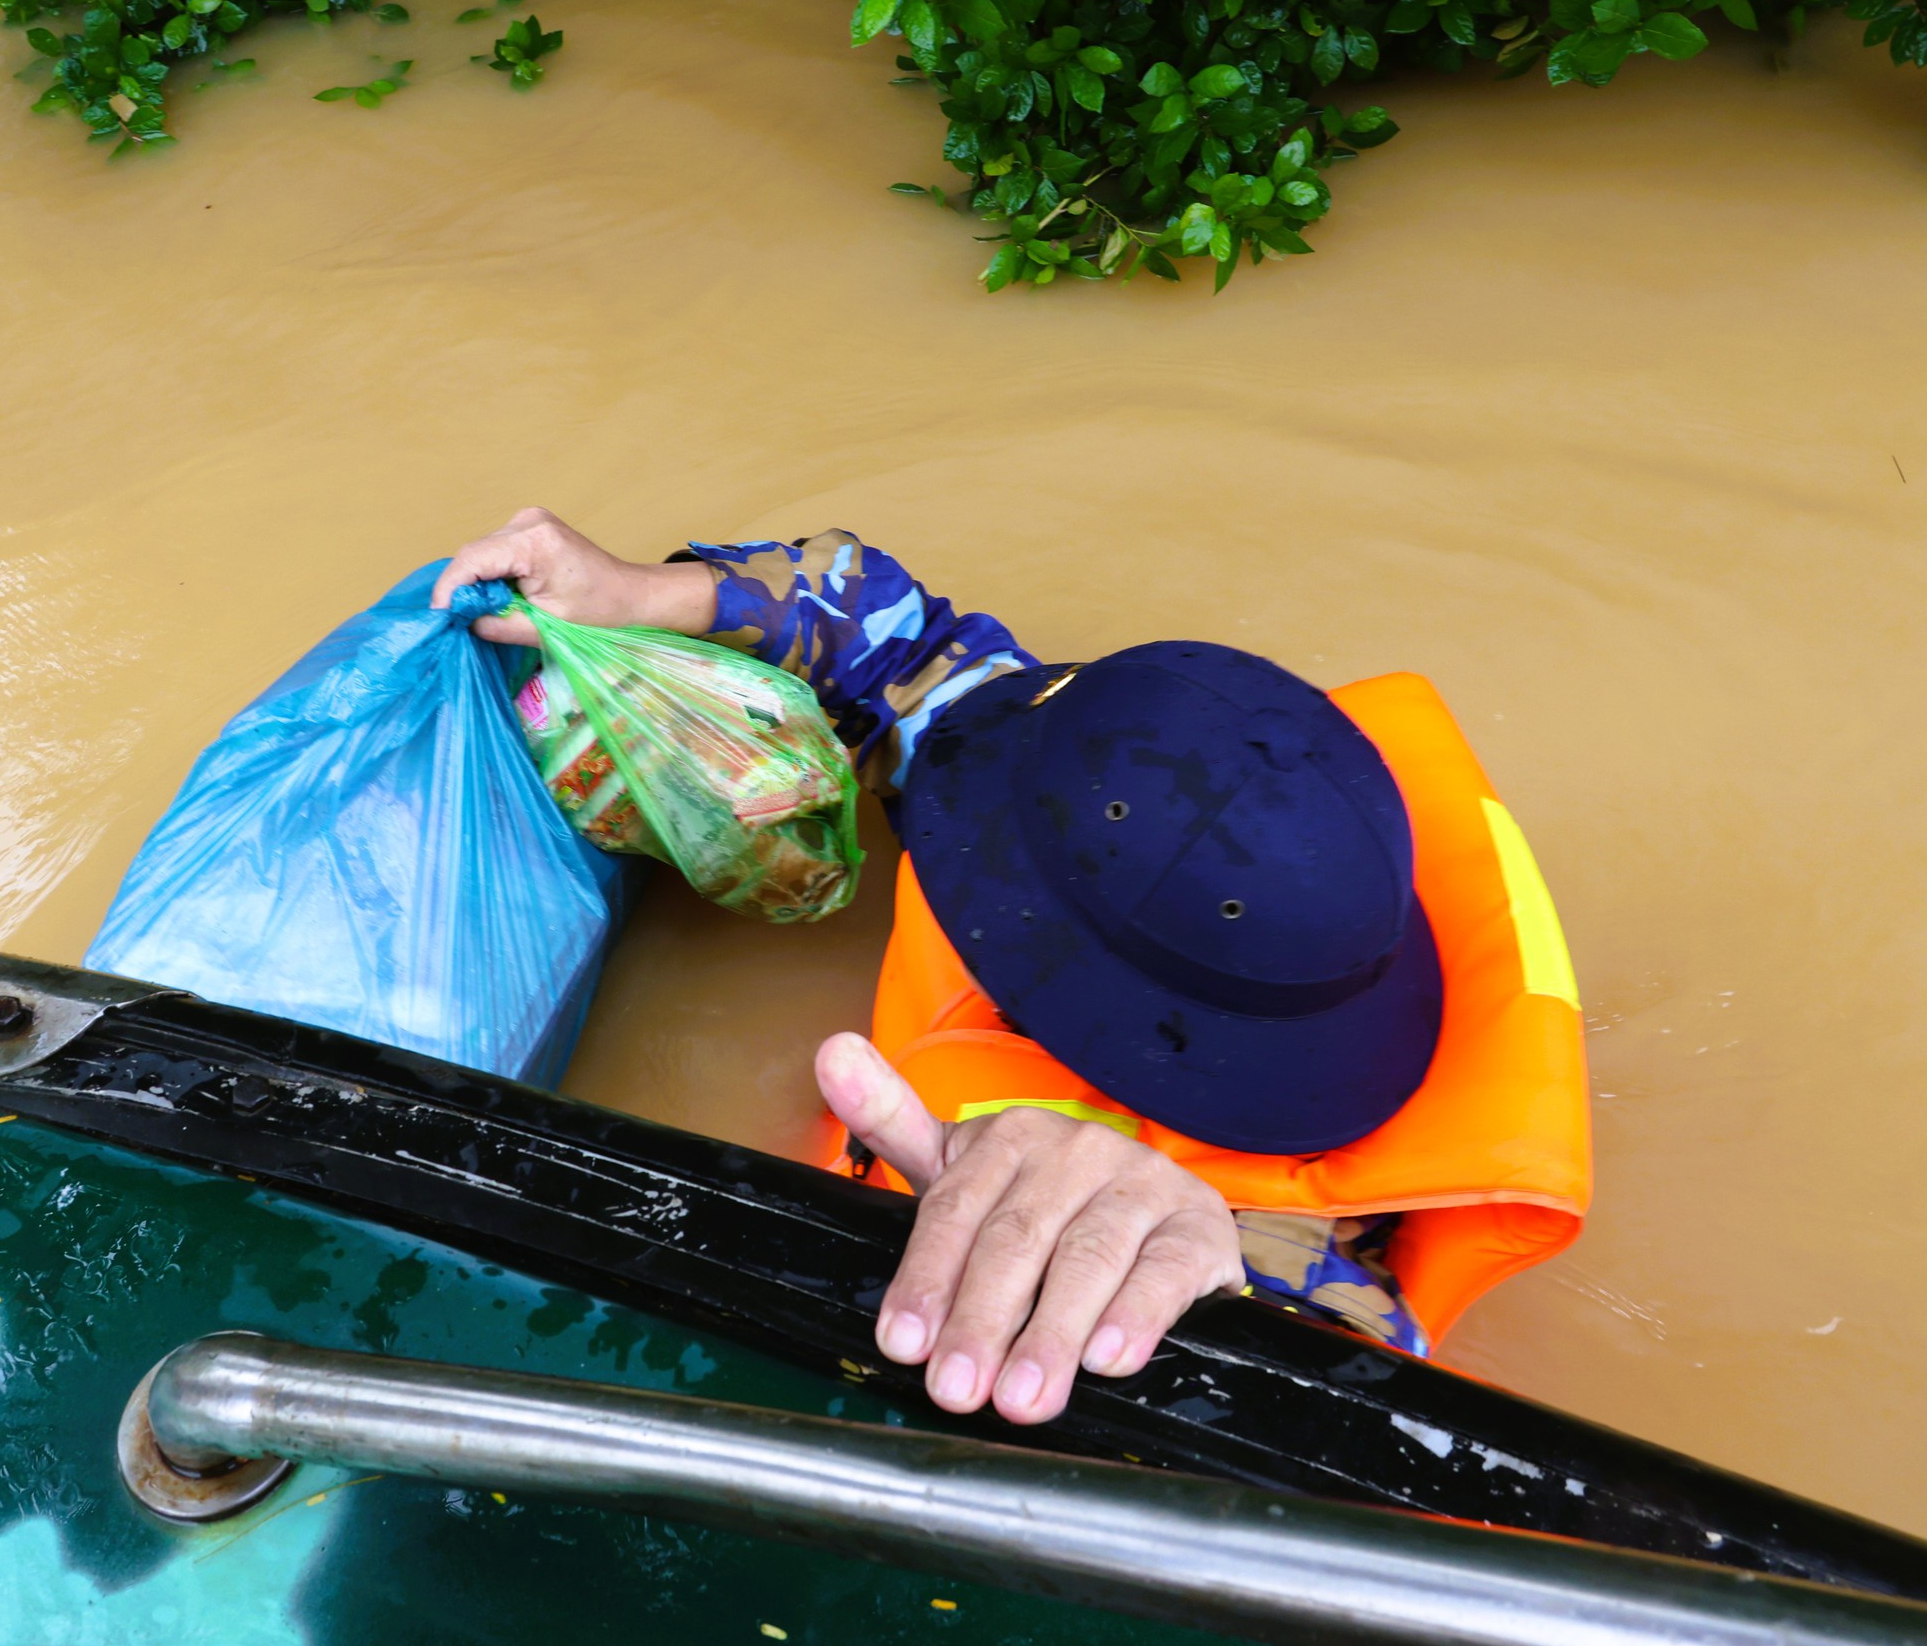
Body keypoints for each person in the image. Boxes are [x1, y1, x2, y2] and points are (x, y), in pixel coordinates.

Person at [435, 509, 1591, 1427]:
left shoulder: (1296, 1282)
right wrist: (646, 595)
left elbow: (1315, 1402)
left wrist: (1171, 1261)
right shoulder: (1269, 878)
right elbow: (907, 645)